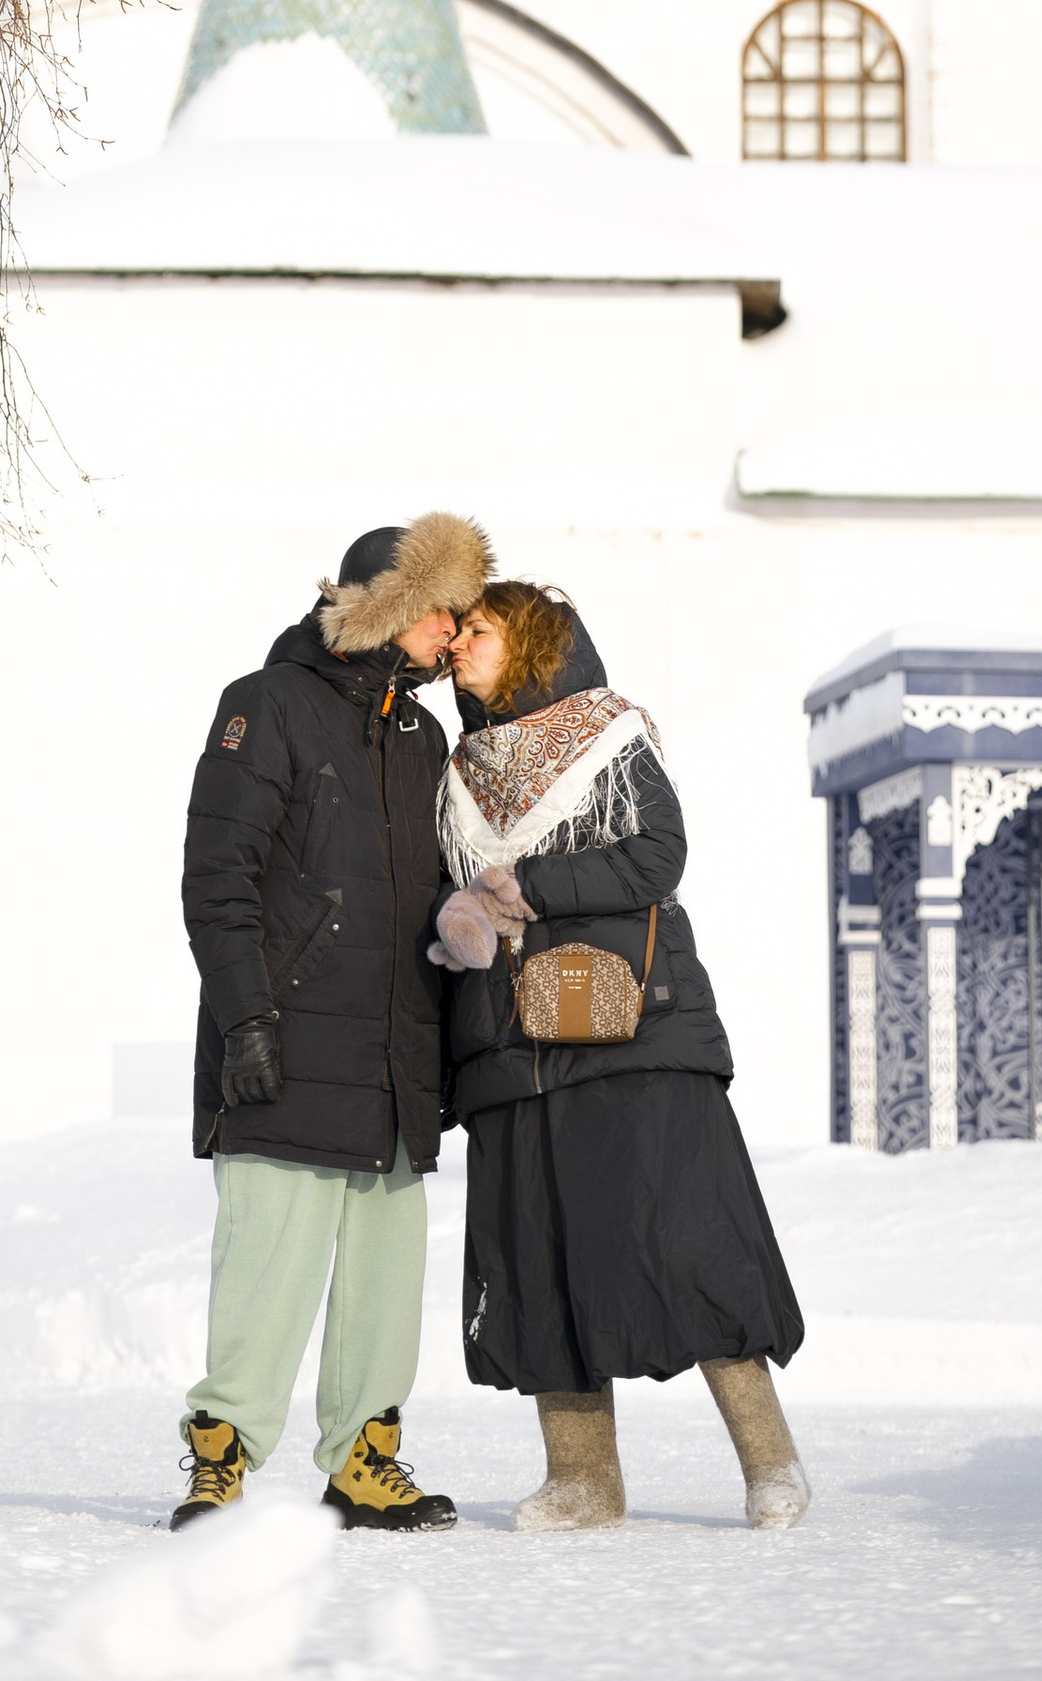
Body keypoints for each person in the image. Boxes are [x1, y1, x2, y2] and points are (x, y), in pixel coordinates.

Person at [430, 578, 809, 1532]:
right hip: (511, 1044)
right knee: (539, 1255)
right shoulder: (460, 772)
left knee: (689, 1241)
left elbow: (657, 855)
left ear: (532, 645)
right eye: (460, 631)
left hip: (632, 1031)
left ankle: (771, 1463)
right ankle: (584, 1481)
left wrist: (527, 884)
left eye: (481, 631)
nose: (460, 645)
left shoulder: (607, 737)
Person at [172, 511, 493, 1532]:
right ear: (390, 606)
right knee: (266, 1267)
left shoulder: (423, 737)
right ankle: (221, 1458)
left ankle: (364, 1460)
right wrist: (246, 1021)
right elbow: (217, 880)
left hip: (394, 1058)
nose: (453, 633)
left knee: (383, 1284)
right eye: (443, 612)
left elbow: (439, 894)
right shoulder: (265, 705)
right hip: (288, 1043)